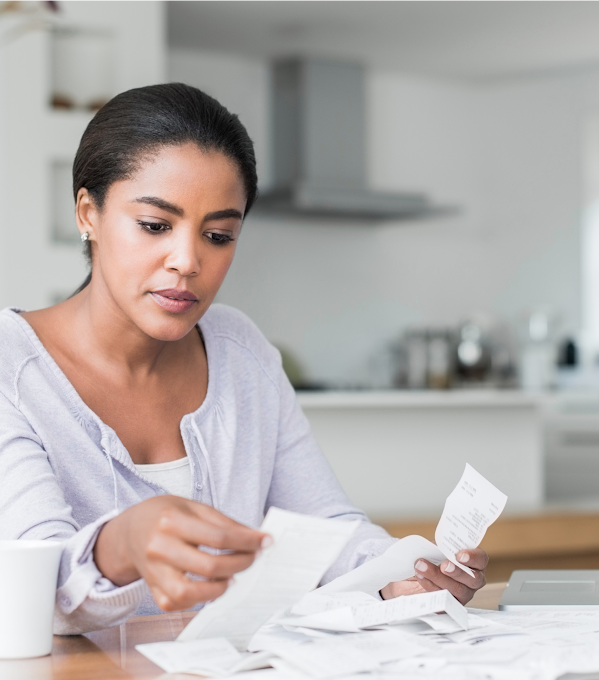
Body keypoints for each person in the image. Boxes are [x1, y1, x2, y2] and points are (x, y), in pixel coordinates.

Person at [0, 83, 488, 635]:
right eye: (156, 226)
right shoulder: (10, 366)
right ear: (88, 212)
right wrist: (120, 545)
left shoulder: (240, 349)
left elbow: (326, 524)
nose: (187, 261)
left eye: (218, 234)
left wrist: (398, 578)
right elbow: (32, 591)